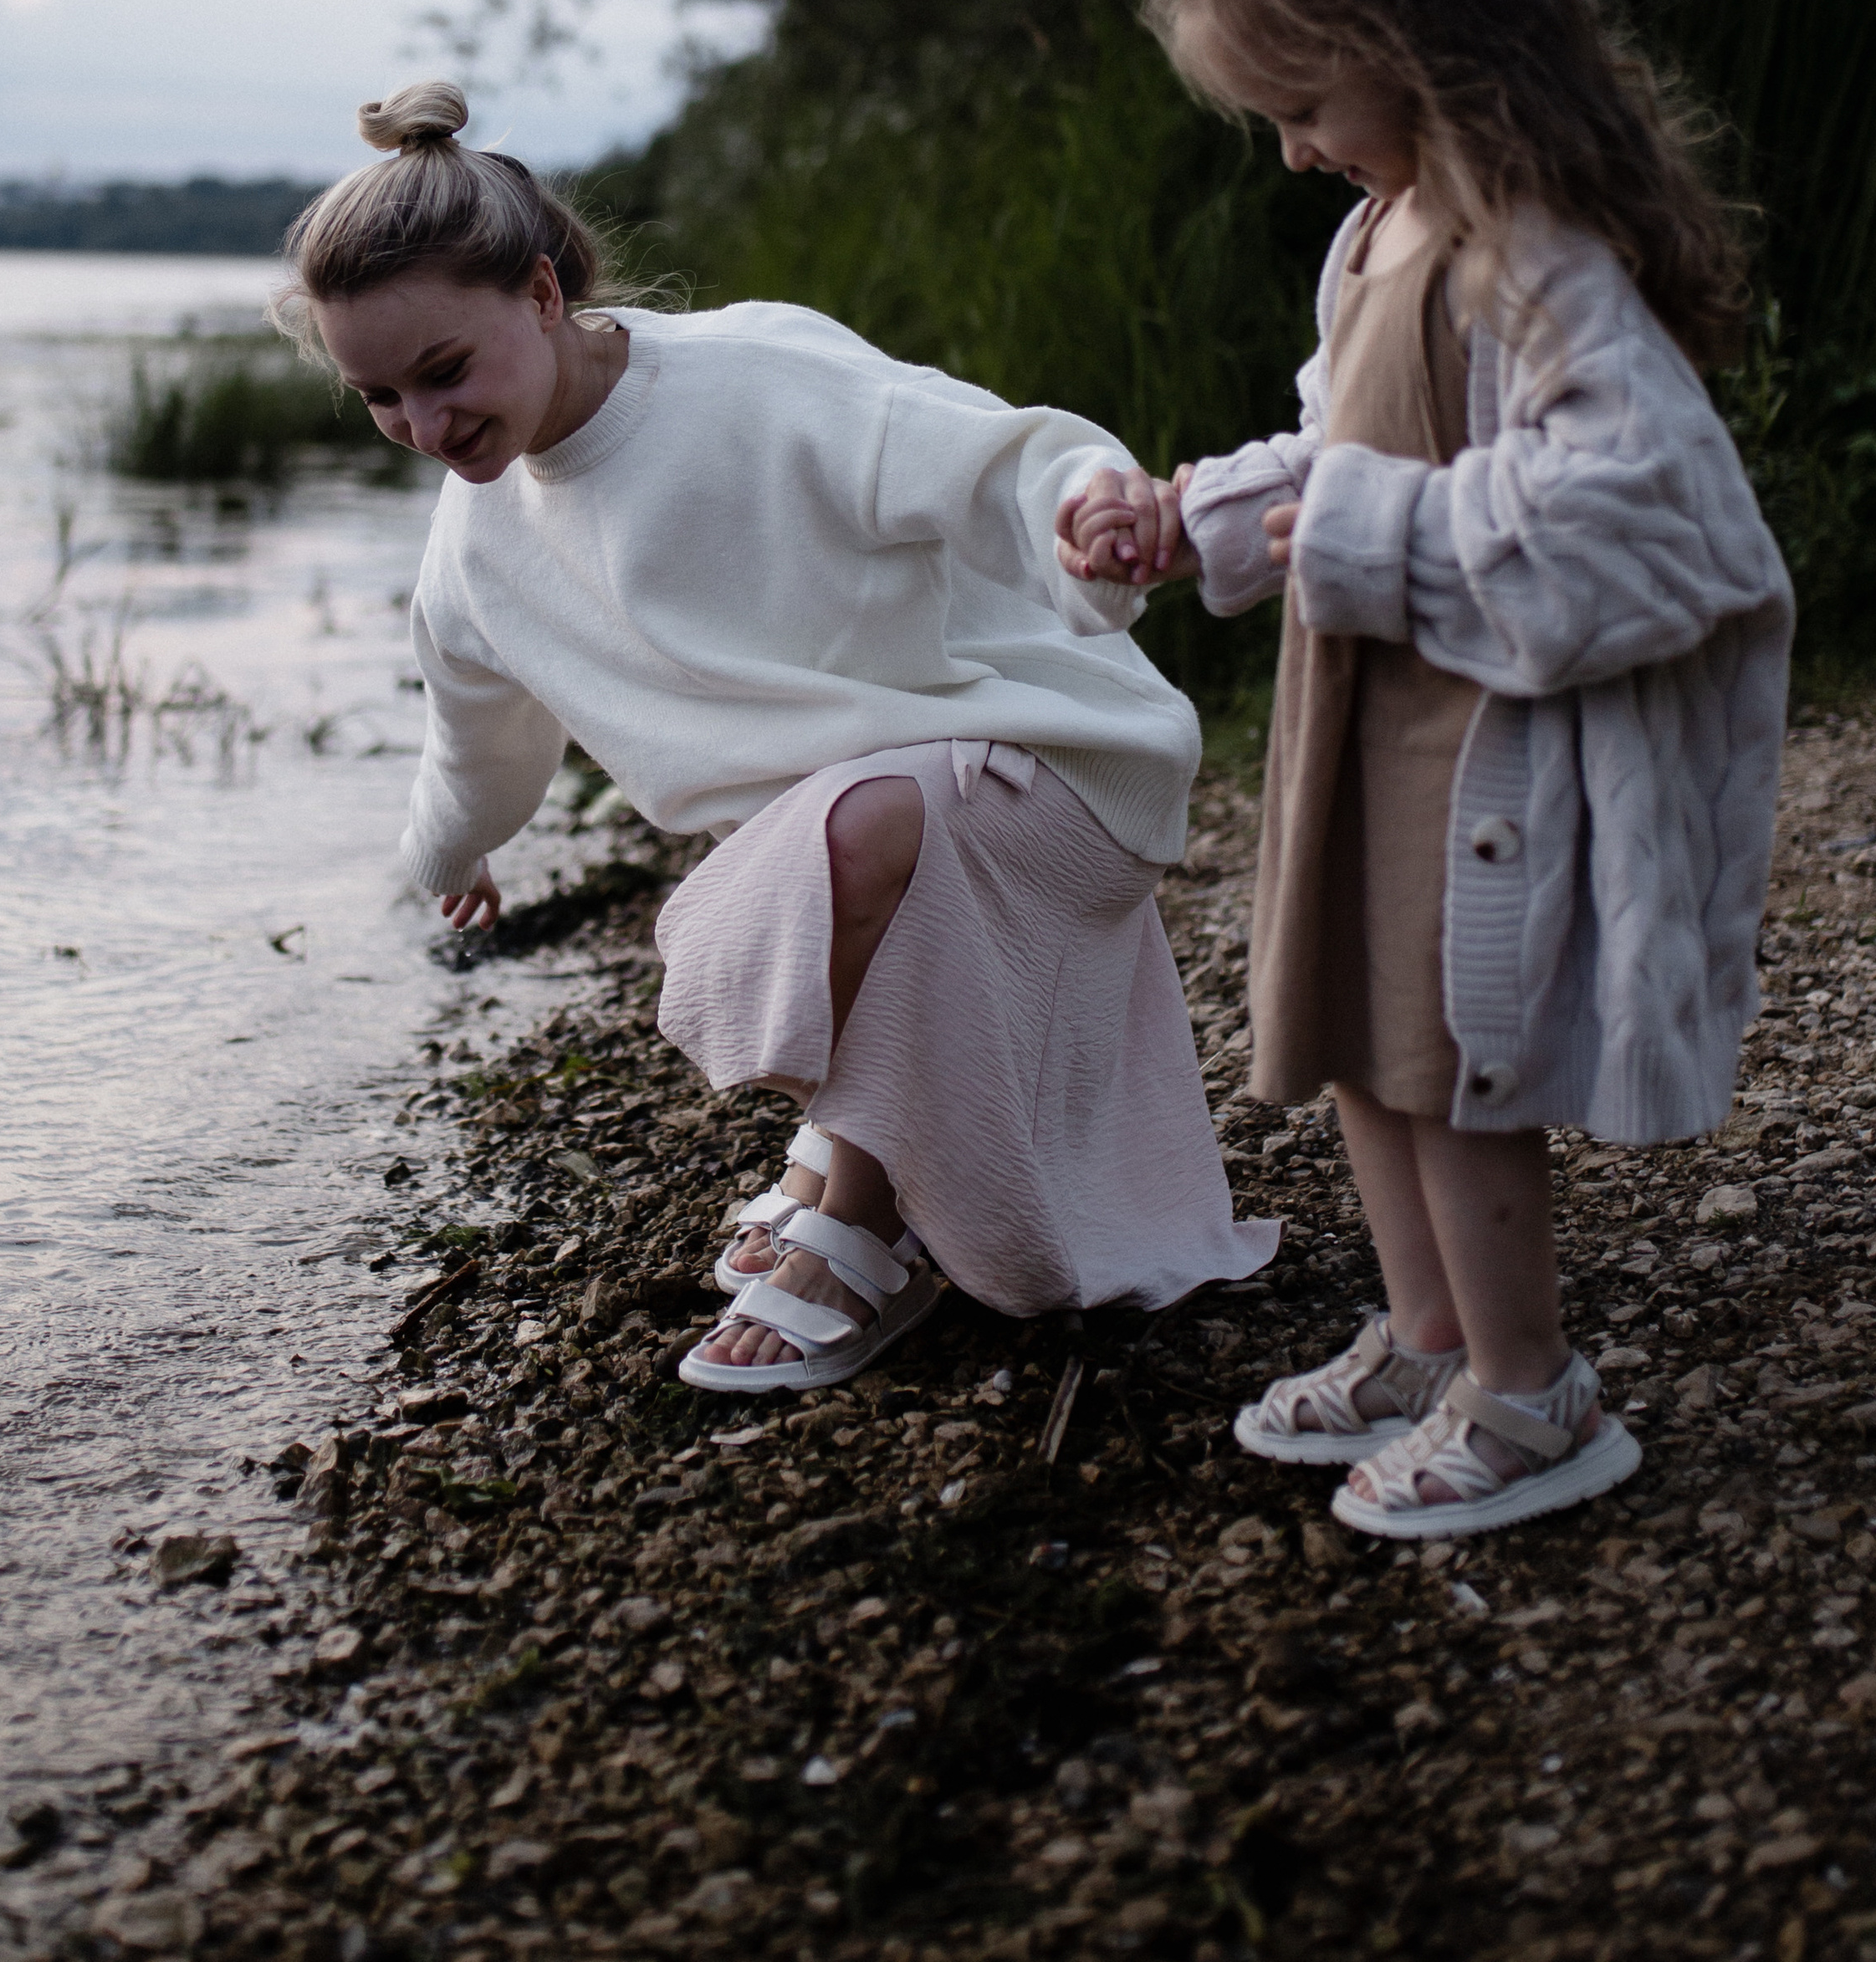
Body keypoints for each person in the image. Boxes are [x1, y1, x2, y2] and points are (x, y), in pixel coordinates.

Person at [278, 81, 1274, 1398]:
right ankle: (855, 1160)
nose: (422, 425)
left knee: (850, 824)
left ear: (538, 292)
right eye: (379, 398)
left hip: (1058, 773)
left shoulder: (750, 377)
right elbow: (473, 735)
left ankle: (862, 1210)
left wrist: (1090, 507)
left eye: (444, 370)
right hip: (879, 823)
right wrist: (447, 853)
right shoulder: (475, 550)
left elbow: (991, 456)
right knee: (835, 829)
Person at [1055, 0, 1792, 1538]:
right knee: (1355, 1041)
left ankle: (1531, 1396)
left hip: (1483, 744)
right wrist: (1191, 521)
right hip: (1362, 716)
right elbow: (1340, 443)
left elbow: (1657, 514)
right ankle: (1424, 1328)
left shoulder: (1525, 253)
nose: (1295, 149)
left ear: (1415, 45)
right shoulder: (1373, 233)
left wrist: (1382, 542)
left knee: (1451, 1061)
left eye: (1303, 105)